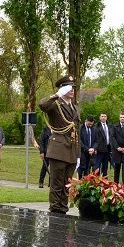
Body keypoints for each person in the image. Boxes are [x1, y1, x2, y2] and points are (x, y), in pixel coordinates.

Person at [38, 75, 80, 214]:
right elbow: (42, 105)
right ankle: (55, 210)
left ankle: (63, 209)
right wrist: (57, 95)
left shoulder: (75, 108)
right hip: (59, 149)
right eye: (68, 88)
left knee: (67, 184)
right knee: (56, 183)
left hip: (72, 151)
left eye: (73, 87)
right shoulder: (55, 104)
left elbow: (77, 132)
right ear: (62, 89)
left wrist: (78, 154)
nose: (72, 90)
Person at [110, 112, 124, 186]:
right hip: (117, 151)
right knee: (117, 168)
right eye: (121, 117)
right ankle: (115, 184)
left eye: (123, 117)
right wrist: (117, 147)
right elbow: (112, 137)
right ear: (119, 118)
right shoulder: (114, 126)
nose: (122, 118)